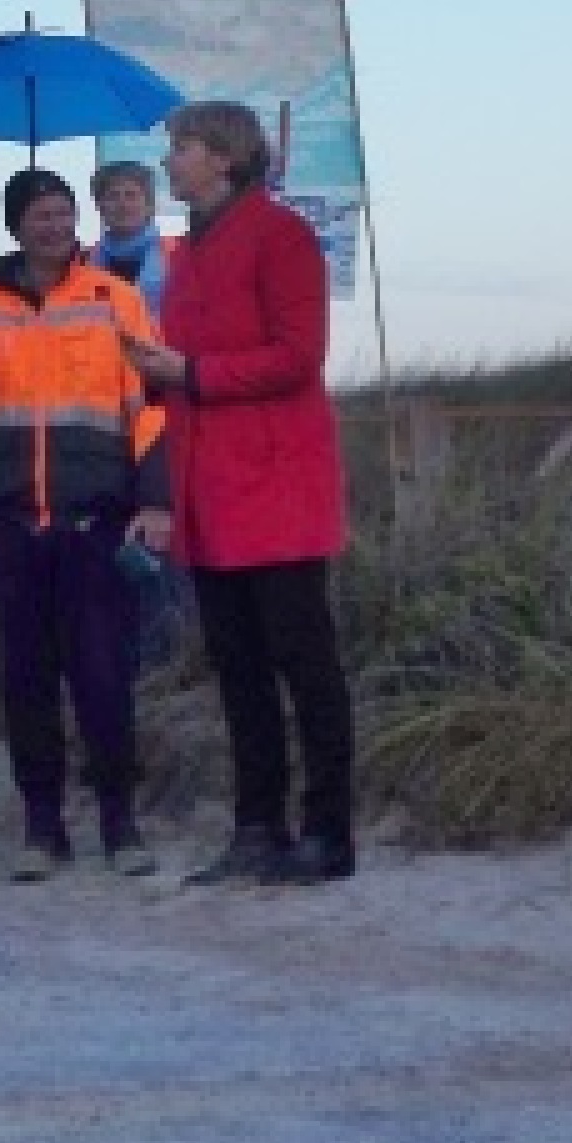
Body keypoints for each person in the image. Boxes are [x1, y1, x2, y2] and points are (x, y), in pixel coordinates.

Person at [129, 100, 357, 887]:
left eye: (180, 148)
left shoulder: (281, 236)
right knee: (239, 670)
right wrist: (147, 380)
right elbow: (188, 364)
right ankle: (257, 826)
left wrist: (186, 374)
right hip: (210, 488)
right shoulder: (186, 254)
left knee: (305, 665)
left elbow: (298, 356)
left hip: (277, 486)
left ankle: (330, 832)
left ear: (223, 157)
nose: (169, 162)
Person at [0, 168, 168, 881]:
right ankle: (42, 826)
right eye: (39, 215)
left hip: (98, 521)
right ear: (15, 225)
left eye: (62, 213)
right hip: (12, 524)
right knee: (25, 681)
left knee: (103, 676)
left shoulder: (115, 299)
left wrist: (154, 501)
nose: (54, 226)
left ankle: (121, 823)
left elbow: (150, 406)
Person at [87, 160, 171, 314]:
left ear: (150, 204)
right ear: (100, 206)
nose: (122, 204)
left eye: (131, 195)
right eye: (113, 196)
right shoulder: (83, 260)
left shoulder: (175, 254)